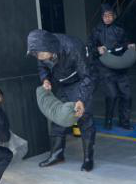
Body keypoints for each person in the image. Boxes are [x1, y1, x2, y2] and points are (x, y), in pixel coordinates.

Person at [27, 29, 96, 172]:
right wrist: (45, 79)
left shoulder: (73, 47)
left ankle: (88, 158)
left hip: (80, 81)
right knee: (58, 116)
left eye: (40, 54)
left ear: (49, 47)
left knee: (84, 117)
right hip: (61, 82)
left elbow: (87, 77)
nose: (39, 57)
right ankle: (57, 155)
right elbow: (42, 66)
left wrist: (81, 99)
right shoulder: (41, 50)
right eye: (36, 54)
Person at [88, 4, 136, 130]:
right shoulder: (96, 31)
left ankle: (124, 122)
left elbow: (125, 43)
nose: (108, 18)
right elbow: (89, 48)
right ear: (102, 17)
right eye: (105, 16)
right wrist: (97, 49)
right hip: (105, 68)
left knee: (126, 95)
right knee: (112, 95)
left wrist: (129, 46)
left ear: (114, 16)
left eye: (110, 15)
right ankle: (108, 120)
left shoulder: (120, 29)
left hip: (120, 67)